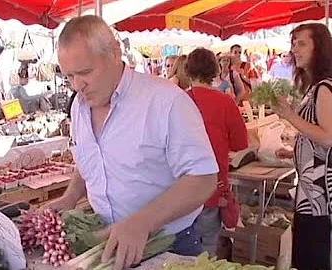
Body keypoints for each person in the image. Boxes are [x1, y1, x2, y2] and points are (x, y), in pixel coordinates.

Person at [42, 15, 219, 270]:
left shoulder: (166, 101)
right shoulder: (79, 108)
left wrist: (141, 223)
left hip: (168, 244)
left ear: (114, 53)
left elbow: (203, 179)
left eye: (85, 73)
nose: (77, 85)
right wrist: (71, 196)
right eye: (69, 76)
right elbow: (90, 157)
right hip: (105, 241)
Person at [273, 23, 332, 270]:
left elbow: (328, 137)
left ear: (320, 48)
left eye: (303, 43)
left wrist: (289, 115)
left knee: (313, 260)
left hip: (320, 197)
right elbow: (316, 139)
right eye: (294, 43)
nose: (295, 49)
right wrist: (294, 151)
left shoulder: (324, 88)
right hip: (310, 192)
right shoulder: (314, 87)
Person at [185, 48, 248, 256]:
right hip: (212, 186)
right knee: (207, 250)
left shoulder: (178, 100)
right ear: (214, 71)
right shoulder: (225, 102)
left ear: (187, 70)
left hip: (178, 189)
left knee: (179, 251)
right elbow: (240, 143)